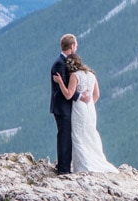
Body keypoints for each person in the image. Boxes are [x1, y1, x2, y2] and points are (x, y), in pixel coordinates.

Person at [53, 52, 118, 173]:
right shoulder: (91, 74)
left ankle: (84, 164)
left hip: (79, 109)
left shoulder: (75, 76)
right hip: (90, 109)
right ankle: (97, 160)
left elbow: (68, 95)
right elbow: (97, 94)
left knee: (78, 135)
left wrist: (60, 82)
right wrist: (89, 104)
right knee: (90, 133)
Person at [49, 33, 89, 175]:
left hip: (64, 106)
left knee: (65, 136)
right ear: (72, 46)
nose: (76, 48)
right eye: (76, 45)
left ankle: (64, 165)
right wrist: (80, 96)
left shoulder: (62, 62)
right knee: (64, 137)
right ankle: (63, 169)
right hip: (62, 106)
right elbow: (65, 87)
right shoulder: (60, 64)